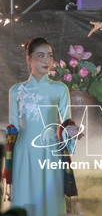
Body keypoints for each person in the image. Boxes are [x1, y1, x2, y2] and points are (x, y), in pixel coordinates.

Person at [6, 37, 81, 216]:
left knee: (51, 201)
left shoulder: (60, 89)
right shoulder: (16, 90)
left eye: (50, 56)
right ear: (28, 59)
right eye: (40, 56)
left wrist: (70, 132)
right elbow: (13, 127)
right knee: (24, 200)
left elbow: (66, 123)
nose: (47, 60)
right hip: (24, 153)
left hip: (51, 153)